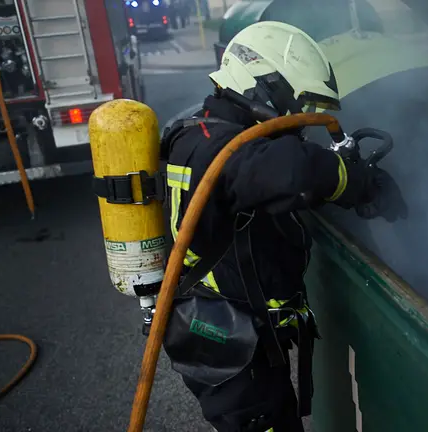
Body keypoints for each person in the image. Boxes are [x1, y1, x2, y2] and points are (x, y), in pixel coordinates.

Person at [160, 21, 407, 432]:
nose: (305, 119)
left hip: (223, 331)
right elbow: (291, 170)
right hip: (224, 341)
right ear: (264, 86)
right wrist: (358, 182)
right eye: (301, 103)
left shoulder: (201, 128)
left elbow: (265, 181)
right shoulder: (219, 148)